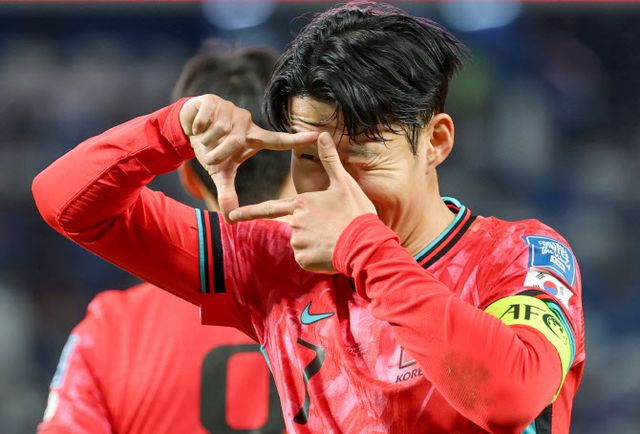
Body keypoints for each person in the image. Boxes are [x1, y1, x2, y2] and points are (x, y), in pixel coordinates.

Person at [33, 3, 585, 433]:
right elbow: (66, 201)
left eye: (362, 153)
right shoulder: (272, 262)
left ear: (436, 141)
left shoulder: (520, 256)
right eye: (310, 157)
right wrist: (172, 130)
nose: (335, 187)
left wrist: (365, 250)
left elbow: (510, 397)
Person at [36, 44, 288, 434]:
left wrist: (173, 130)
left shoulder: (114, 329)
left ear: (188, 178)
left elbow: (60, 197)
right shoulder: (358, 282)